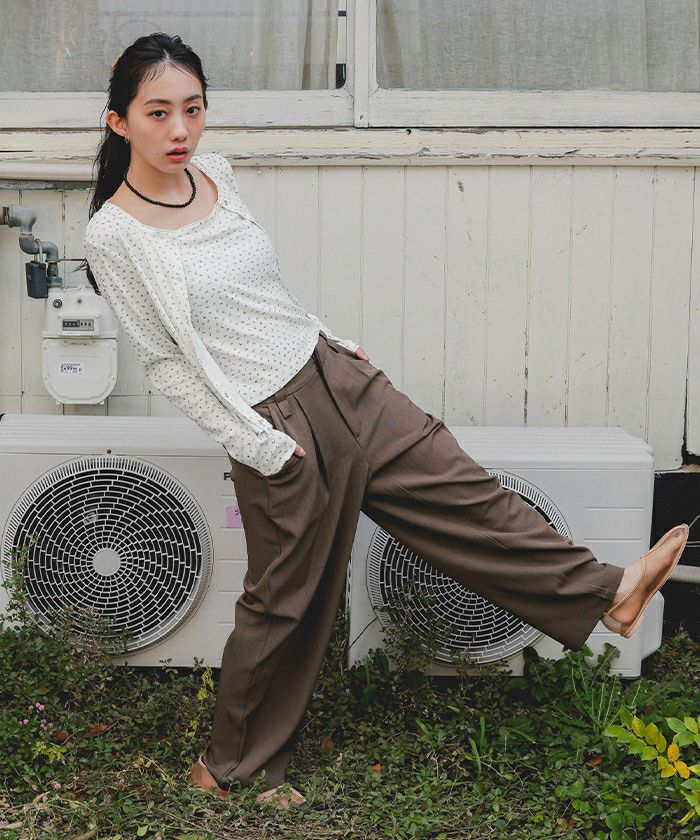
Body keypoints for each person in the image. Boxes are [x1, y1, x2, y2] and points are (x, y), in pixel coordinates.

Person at [81, 32, 691, 811]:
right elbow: (166, 362)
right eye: (159, 112)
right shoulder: (115, 234)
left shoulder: (217, 176)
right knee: (287, 600)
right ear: (119, 121)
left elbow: (263, 292)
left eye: (193, 109)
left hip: (335, 375)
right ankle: (229, 768)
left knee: (460, 488)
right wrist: (256, 444)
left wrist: (330, 340)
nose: (180, 130)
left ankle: (610, 593)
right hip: (272, 421)